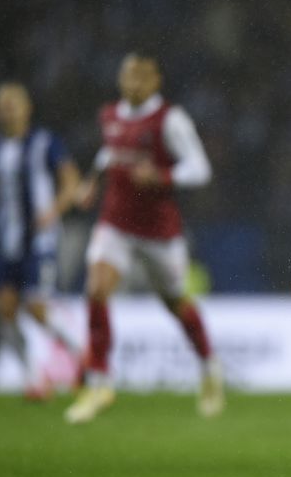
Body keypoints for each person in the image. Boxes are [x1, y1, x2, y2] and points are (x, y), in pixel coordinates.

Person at [64, 52, 224, 423]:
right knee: (96, 290)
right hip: (115, 223)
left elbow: (200, 169)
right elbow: (110, 152)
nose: (133, 82)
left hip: (158, 230)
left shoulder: (170, 119)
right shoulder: (110, 115)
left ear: (155, 81)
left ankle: (209, 367)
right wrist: (92, 182)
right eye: (127, 75)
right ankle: (99, 384)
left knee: (175, 303)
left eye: (141, 76)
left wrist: (163, 177)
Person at [0, 82, 82, 399]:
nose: (7, 112)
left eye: (12, 105)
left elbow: (70, 180)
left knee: (36, 307)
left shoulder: (44, 142)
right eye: (2, 107)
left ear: (27, 108)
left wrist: (54, 210)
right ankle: (34, 378)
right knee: (5, 311)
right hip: (5, 241)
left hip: (39, 241)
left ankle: (81, 352)